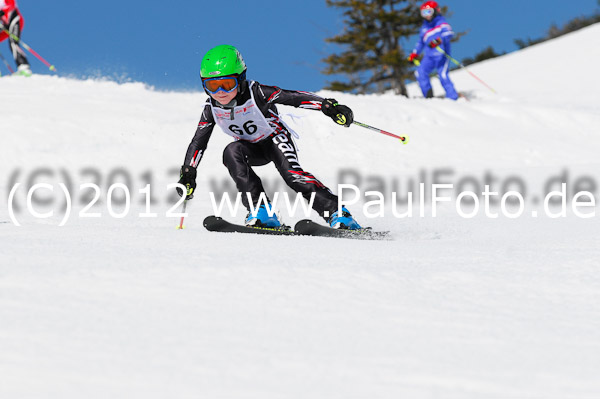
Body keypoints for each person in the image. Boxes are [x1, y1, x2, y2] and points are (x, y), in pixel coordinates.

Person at [177, 44, 362, 230]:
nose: (220, 93)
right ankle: (262, 211)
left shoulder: (256, 92)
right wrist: (188, 173)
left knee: (292, 176)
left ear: (240, 79)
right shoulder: (211, 108)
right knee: (231, 152)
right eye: (212, 86)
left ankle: (339, 215)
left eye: (227, 84)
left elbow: (292, 97)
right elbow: (198, 142)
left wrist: (327, 107)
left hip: (275, 139)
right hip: (250, 148)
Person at [408, 1, 458, 100]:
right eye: (424, 13)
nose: (427, 16)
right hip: (429, 56)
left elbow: (449, 33)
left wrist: (439, 40)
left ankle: (452, 97)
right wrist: (414, 54)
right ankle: (428, 96)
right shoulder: (424, 28)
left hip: (442, 55)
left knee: (442, 75)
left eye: (429, 12)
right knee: (420, 73)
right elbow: (420, 43)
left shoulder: (441, 23)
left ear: (436, 11)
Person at [0, 0, 31, 76]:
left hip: (15, 19)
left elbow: (12, 6)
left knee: (13, 42)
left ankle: (24, 67)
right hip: (5, 25)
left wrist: (2, 12)